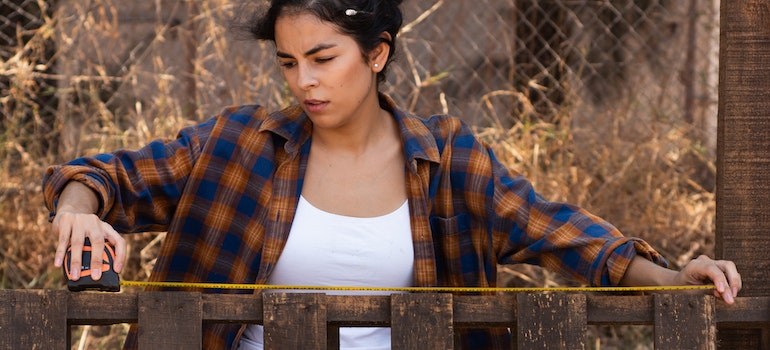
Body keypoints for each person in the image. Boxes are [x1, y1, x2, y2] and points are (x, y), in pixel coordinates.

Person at [44, 0, 741, 349]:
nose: (304, 82)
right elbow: (105, 177)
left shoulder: (449, 162)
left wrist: (676, 279)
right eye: (288, 63)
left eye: (323, 58)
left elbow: (564, 235)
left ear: (377, 54)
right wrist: (77, 208)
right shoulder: (238, 144)